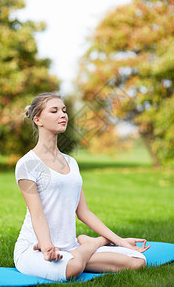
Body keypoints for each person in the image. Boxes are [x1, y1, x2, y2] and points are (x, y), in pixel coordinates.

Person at [14, 92, 150, 282]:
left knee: (137, 260)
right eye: (54, 111)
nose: (63, 115)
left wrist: (119, 241)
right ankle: (94, 242)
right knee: (74, 267)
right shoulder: (28, 164)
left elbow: (84, 212)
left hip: (70, 248)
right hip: (34, 248)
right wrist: (46, 246)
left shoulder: (71, 163)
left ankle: (85, 246)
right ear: (38, 119)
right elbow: (37, 213)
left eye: (64, 110)